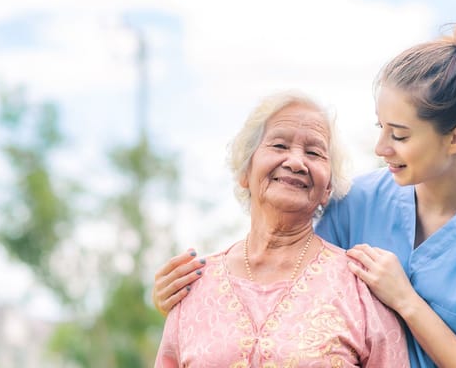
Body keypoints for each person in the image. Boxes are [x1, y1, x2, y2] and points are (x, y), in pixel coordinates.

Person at [153, 16, 456, 368]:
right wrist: (190, 300)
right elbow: (283, 278)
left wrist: (408, 302)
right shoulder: (356, 203)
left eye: (400, 135)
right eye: (381, 127)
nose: (381, 148)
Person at [154, 91, 409, 367]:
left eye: (314, 152)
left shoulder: (362, 288)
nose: (296, 162)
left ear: (328, 189)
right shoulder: (194, 286)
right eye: (279, 146)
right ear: (244, 171)